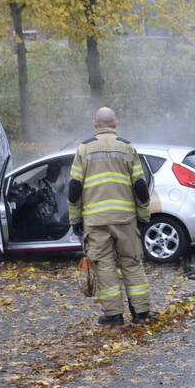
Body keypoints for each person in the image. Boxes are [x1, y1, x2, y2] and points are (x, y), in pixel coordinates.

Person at [68, 107, 154, 326]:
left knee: (104, 267)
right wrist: (143, 217)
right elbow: (140, 187)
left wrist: (75, 220)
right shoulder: (127, 148)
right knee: (132, 264)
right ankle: (141, 312)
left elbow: (74, 190)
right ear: (115, 124)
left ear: (95, 124)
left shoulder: (84, 150)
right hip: (125, 219)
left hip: (96, 222)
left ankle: (113, 315)